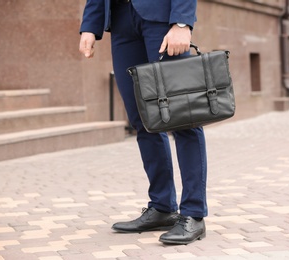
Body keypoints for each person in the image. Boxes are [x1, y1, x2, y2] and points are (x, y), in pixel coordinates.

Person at [79, 0, 207, 245]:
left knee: (183, 116)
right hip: (120, 21)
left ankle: (194, 212)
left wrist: (182, 21)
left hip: (161, 18)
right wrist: (90, 25)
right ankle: (162, 207)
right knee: (143, 120)